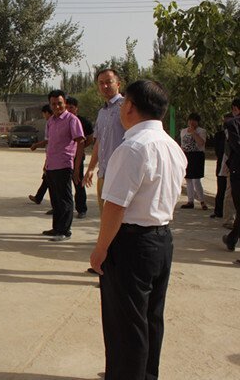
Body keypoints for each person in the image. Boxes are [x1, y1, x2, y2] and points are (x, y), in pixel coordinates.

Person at [90, 80, 186, 380]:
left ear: (129, 106)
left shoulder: (131, 148)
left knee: (125, 325)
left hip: (132, 242)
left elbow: (115, 206)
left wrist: (101, 249)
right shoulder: (172, 147)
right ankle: (147, 374)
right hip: (162, 240)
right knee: (150, 318)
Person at [41, 90, 85, 241]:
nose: (56, 106)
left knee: (65, 199)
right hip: (52, 165)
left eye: (59, 103)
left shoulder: (72, 120)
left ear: (65, 103)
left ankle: (65, 231)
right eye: (53, 104)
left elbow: (80, 142)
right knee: (55, 199)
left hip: (65, 165)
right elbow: (51, 144)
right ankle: (57, 228)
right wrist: (46, 164)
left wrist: (77, 168)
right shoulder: (51, 121)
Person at [83, 69, 126, 213]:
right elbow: (99, 142)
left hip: (121, 174)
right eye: (101, 83)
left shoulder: (126, 107)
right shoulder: (102, 112)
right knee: (105, 218)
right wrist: (90, 168)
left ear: (118, 84)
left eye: (109, 82)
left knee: (121, 220)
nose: (105, 86)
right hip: (103, 174)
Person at [66, 97, 94, 219]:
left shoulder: (83, 122)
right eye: (66, 107)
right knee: (62, 184)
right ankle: (62, 208)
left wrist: (79, 149)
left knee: (78, 182)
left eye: (71, 107)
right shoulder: (61, 121)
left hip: (77, 157)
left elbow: (90, 138)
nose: (68, 110)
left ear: (76, 108)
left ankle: (81, 209)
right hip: (64, 157)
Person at [222, 98, 240, 252]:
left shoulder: (232, 124)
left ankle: (232, 238)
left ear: (235, 108)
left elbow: (235, 146)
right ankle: (232, 238)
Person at [180, 113, 208, 210]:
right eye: (190, 120)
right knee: (188, 179)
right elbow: (183, 144)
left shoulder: (201, 131)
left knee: (196, 179)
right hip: (187, 155)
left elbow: (201, 143)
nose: (192, 122)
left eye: (194, 120)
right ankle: (190, 201)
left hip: (197, 155)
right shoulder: (183, 131)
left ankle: (202, 201)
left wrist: (193, 132)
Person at [29, 105, 53, 207]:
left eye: (44, 114)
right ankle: (38, 197)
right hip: (50, 154)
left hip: (55, 156)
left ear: (47, 112)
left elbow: (49, 140)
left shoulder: (52, 122)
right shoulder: (50, 122)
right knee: (47, 178)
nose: (44, 116)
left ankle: (56, 205)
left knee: (51, 179)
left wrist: (36, 145)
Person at [211, 114, 232, 218]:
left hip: (231, 166)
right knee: (221, 189)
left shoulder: (234, 134)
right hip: (222, 165)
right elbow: (218, 151)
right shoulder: (219, 135)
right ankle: (218, 211)